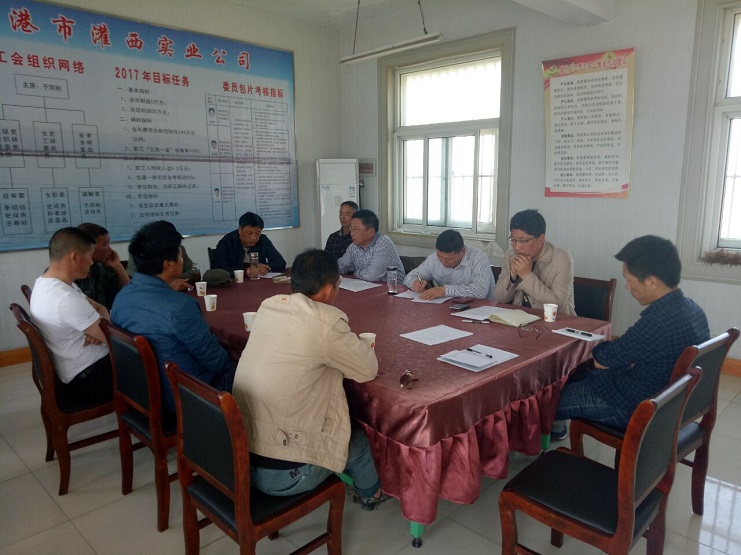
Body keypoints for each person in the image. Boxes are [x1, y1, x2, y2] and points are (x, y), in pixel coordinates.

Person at [231, 249, 389, 510]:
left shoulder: (269, 307)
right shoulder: (325, 322)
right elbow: (367, 369)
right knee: (360, 442)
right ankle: (371, 494)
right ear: (328, 290)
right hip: (286, 474)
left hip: (241, 458)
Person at [552, 235, 710, 439]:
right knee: (574, 379)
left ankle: (531, 439)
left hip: (630, 405)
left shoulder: (657, 322)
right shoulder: (693, 310)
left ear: (652, 282)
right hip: (666, 400)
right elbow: (627, 353)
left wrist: (614, 354)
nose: (627, 287)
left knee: (545, 402)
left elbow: (603, 359)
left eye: (629, 280)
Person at [111, 221, 234, 412]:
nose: (182, 258)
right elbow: (217, 361)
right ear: (168, 264)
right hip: (187, 397)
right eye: (179, 254)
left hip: (142, 393)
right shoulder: (180, 307)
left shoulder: (122, 297)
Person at [30, 227, 112, 406]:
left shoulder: (46, 283)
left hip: (80, 369)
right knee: (149, 361)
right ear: (75, 257)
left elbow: (100, 309)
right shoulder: (65, 298)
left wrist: (101, 322)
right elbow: (112, 337)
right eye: (89, 255)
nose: (92, 262)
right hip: (89, 380)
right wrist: (103, 325)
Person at [494, 209, 575, 314]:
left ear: (541, 239)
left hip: (556, 321)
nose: (517, 247)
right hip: (520, 318)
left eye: (523, 241)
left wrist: (527, 275)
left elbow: (557, 306)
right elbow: (500, 298)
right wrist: (512, 278)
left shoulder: (561, 259)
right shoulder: (510, 255)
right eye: (513, 240)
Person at [402, 229, 494, 300]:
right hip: (448, 308)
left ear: (462, 251)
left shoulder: (478, 258)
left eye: (449, 259)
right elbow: (409, 276)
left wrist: (444, 290)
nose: (443, 262)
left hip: (482, 310)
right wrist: (414, 283)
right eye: (440, 257)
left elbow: (480, 291)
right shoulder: (433, 259)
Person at [125, 221, 197, 292]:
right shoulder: (140, 251)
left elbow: (193, 271)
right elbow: (132, 276)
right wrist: (167, 283)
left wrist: (173, 279)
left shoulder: (178, 250)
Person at [337, 209, 405, 282]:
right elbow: (341, 266)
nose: (352, 233)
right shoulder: (354, 246)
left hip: (393, 288)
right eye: (351, 229)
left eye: (356, 229)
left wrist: (355, 272)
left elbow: (371, 276)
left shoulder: (384, 245)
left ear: (371, 231)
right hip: (366, 285)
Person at [212, 211, 287, 277]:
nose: (254, 237)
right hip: (234, 284)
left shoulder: (263, 240)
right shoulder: (227, 242)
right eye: (249, 233)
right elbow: (218, 270)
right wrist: (247, 271)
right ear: (240, 230)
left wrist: (263, 267)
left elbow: (280, 262)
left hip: (259, 283)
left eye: (257, 233)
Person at [74, 223, 130, 310]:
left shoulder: (98, 269)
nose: (110, 250)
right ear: (89, 247)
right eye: (105, 245)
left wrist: (118, 267)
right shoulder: (71, 274)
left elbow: (129, 293)